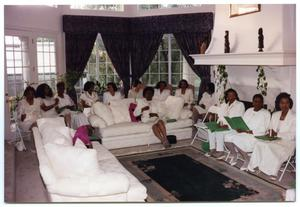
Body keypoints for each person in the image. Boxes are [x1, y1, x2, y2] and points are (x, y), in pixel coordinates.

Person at [248, 93, 295, 180]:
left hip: (287, 143)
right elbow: (270, 128)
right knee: (259, 143)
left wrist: (276, 134)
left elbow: (292, 135)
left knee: (268, 146)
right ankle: (255, 165)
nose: (284, 105)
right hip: (273, 139)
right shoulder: (275, 114)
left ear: (290, 104)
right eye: (282, 103)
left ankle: (273, 172)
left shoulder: (295, 117)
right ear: (278, 104)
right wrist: (268, 133)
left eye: (287, 103)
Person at [224, 94, 271, 170]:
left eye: (260, 102)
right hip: (243, 132)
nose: (257, 103)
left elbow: (264, 129)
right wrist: (238, 127)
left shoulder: (266, 113)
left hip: (255, 135)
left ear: (262, 103)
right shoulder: (249, 110)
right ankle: (234, 154)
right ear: (253, 102)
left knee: (237, 140)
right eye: (255, 101)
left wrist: (250, 132)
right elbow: (243, 122)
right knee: (227, 137)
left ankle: (246, 159)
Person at [206, 88, 245, 158]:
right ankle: (212, 149)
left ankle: (221, 152)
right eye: (229, 95)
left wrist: (227, 126)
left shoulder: (240, 105)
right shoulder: (225, 105)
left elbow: (237, 119)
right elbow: (221, 116)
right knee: (210, 130)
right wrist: (218, 123)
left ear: (236, 96)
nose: (231, 97)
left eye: (233, 95)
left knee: (219, 132)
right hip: (224, 126)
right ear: (226, 97)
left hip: (234, 128)